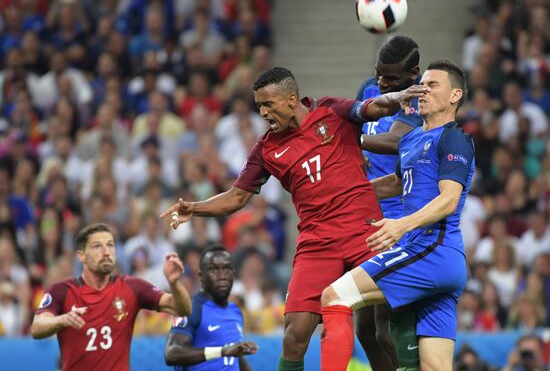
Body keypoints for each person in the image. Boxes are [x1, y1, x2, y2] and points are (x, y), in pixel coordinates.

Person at [161, 66, 427, 371]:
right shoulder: (266, 149)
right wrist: (193, 208)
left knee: (389, 324)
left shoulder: (332, 112)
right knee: (295, 336)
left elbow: (375, 107)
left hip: (364, 234)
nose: (262, 112)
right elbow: (236, 197)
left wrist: (398, 96)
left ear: (291, 99)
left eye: (268, 104)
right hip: (317, 244)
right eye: (259, 105)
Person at [319, 59, 475, 371]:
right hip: (438, 264)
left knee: (333, 296)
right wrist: (341, 194)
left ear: (455, 95)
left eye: (432, 85)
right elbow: (395, 183)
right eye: (422, 85)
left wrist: (401, 225)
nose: (423, 90)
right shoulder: (412, 138)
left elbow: (449, 199)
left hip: (430, 251)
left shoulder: (454, 138)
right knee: (433, 367)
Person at [30, 223, 193, 371]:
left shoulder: (132, 287)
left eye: (110, 245)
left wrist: (174, 284)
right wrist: (63, 320)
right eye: (97, 247)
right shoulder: (61, 291)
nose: (106, 252)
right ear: (81, 256)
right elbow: (37, 328)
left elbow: (183, 308)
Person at [357, 36, 423, 371]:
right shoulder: (369, 88)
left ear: (414, 74)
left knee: (386, 330)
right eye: (379, 74)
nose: (382, 83)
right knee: (365, 331)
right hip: (364, 218)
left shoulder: (419, 100)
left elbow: (396, 141)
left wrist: (354, 139)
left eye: (392, 78)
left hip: (396, 220)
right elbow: (354, 119)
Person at [164, 244, 258, 370]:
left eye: (227, 269)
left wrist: (233, 351)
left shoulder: (235, 312)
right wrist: (222, 351)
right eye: (214, 270)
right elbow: (171, 353)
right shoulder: (191, 308)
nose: (222, 276)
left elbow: (234, 357)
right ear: (201, 276)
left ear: (234, 274)